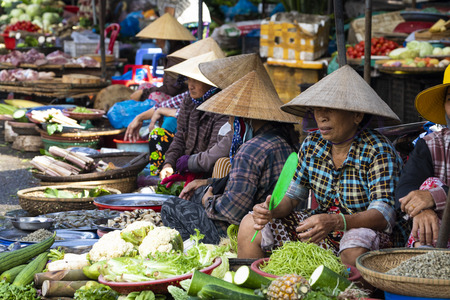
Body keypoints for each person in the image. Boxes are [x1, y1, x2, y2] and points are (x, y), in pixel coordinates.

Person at [237, 65, 405, 267]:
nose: (321, 117)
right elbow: (292, 197)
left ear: (357, 115)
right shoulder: (312, 144)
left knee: (354, 245)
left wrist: (337, 221)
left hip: (368, 236)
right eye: (317, 109)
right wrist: (270, 210)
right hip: (324, 232)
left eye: (331, 109)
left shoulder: (377, 150)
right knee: (249, 225)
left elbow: (383, 215)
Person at [161, 55, 300, 244]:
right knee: (196, 194)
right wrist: (206, 183)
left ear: (244, 120)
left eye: (231, 117)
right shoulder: (280, 139)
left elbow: (232, 212)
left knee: (170, 206)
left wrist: (207, 201)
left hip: (244, 230)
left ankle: (204, 253)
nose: (229, 122)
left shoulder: (250, 150)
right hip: (270, 222)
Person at [395, 65, 450, 249]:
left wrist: (435, 196)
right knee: (427, 185)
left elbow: (432, 194)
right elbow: (405, 188)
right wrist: (422, 209)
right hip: (443, 239)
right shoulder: (431, 144)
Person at [157, 50, 230, 181]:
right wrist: (169, 163)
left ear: (210, 83)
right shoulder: (189, 101)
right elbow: (180, 136)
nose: (190, 86)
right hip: (189, 167)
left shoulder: (222, 108)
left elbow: (213, 153)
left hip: (207, 173)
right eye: (189, 79)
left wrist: (190, 163)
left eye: (196, 80)